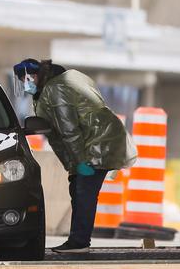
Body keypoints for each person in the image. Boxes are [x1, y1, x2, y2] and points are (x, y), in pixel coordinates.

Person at [14, 58, 136, 253]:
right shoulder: (58, 84)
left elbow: (69, 131)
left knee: (84, 193)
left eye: (26, 78)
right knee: (79, 190)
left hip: (97, 144)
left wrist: (80, 163)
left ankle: (79, 242)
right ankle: (79, 240)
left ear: (36, 75)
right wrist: (74, 165)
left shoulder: (54, 90)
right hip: (97, 141)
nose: (24, 84)